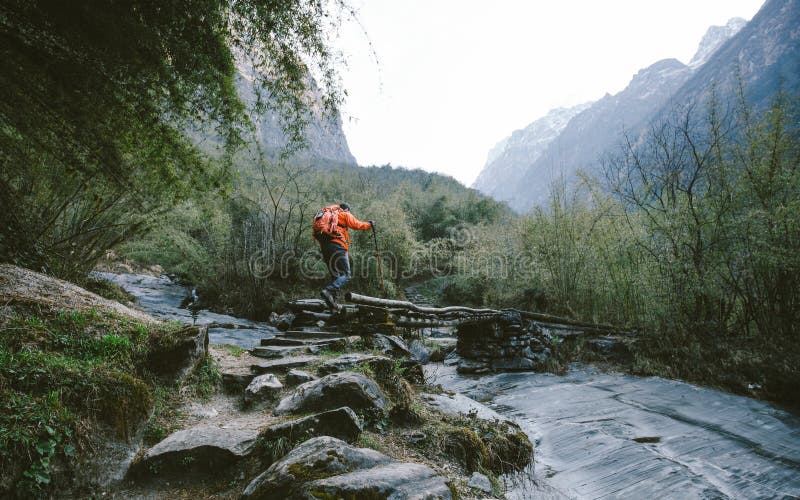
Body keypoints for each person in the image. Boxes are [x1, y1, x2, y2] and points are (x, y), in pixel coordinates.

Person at [315, 203, 374, 310]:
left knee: (335, 276)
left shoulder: (327, 214)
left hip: (325, 246)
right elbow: (356, 224)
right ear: (346, 209)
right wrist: (369, 224)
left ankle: (332, 304)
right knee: (346, 274)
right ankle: (328, 291)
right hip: (338, 245)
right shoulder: (344, 214)